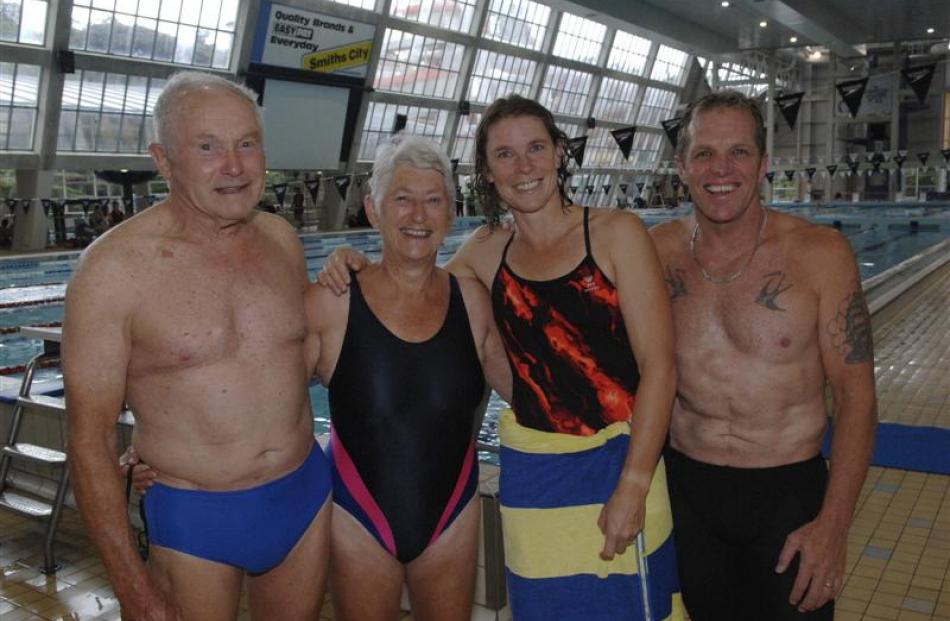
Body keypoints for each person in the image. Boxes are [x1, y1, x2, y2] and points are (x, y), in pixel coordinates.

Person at [320, 95, 683, 621]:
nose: (524, 166)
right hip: (535, 469)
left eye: (536, 147)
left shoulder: (615, 233)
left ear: (560, 152)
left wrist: (634, 482)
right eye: (505, 155)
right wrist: (351, 260)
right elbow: (414, 274)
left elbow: (661, 368)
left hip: (621, 463)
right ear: (487, 174)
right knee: (543, 609)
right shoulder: (486, 253)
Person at [63, 71, 332, 621]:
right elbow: (88, 439)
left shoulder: (282, 240)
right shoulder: (112, 271)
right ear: (164, 160)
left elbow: (296, 361)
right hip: (196, 518)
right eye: (207, 147)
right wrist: (130, 589)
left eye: (246, 143)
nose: (233, 166)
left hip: (304, 495)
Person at [650, 90, 877, 621]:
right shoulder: (654, 254)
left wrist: (834, 524)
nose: (720, 169)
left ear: (764, 164)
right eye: (704, 154)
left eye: (739, 153)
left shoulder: (820, 255)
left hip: (787, 497)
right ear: (682, 165)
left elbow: (856, 399)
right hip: (687, 493)